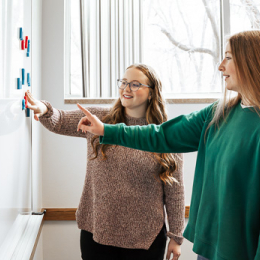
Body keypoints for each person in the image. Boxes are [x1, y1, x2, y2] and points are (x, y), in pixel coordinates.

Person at [77, 30, 260, 260]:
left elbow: (175, 186)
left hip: (244, 249)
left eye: (229, 58)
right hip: (210, 246)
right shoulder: (218, 113)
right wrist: (106, 130)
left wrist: (174, 234)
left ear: (251, 60)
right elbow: (161, 136)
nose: (220, 66)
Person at [25, 64, 185, 260]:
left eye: (135, 84)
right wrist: (43, 108)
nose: (126, 89)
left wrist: (176, 238)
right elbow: (58, 120)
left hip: (146, 240)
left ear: (152, 93)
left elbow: (175, 191)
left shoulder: (166, 135)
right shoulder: (100, 119)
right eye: (124, 82)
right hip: (96, 234)